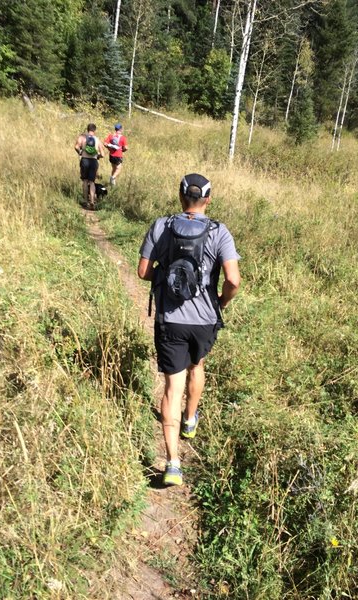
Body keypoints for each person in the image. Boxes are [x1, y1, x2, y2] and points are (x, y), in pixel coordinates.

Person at [137, 173, 241, 486]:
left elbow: (142, 272)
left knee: (172, 387)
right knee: (198, 365)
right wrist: (220, 302)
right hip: (205, 321)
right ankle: (191, 419)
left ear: (181, 197)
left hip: (171, 319)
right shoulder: (220, 231)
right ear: (208, 199)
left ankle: (172, 464)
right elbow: (233, 281)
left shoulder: (162, 226)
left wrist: (165, 272)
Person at [74, 123, 104, 208]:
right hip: (94, 162)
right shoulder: (97, 140)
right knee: (92, 182)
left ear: (87, 129)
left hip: (84, 160)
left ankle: (85, 201)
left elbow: (76, 147)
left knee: (85, 181)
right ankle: (92, 201)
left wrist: (80, 152)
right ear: (94, 130)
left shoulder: (82, 137)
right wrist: (97, 156)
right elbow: (103, 154)